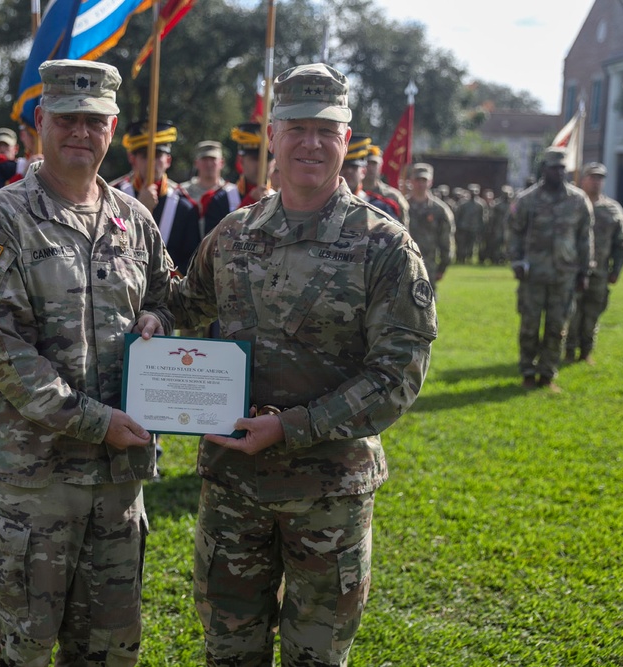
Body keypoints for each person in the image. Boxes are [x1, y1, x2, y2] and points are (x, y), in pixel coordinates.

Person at [165, 62, 437, 666]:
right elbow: (184, 304)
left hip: (329, 498)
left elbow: (396, 379)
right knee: (228, 650)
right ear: (272, 135)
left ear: (346, 139)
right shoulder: (234, 235)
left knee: (316, 657)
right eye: (296, 127)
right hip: (233, 491)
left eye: (326, 129)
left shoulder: (386, 247)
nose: (310, 142)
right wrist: (158, 319)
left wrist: (291, 427)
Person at [0, 59, 175, 666]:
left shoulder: (135, 221)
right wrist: (92, 419)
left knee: (109, 649)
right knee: (21, 646)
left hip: (116, 482)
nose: (81, 131)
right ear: (39, 122)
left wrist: (160, 320)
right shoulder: (0, 218)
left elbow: (166, 293)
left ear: (113, 130)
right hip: (34, 482)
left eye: (95, 120)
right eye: (68, 119)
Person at [507, 147, 593, 391]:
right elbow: (513, 232)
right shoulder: (527, 200)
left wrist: (584, 272)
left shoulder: (578, 201)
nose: (559, 172)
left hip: (564, 275)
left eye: (562, 168)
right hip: (533, 274)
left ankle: (547, 374)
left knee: (557, 328)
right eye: (554, 168)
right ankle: (527, 371)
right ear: (544, 169)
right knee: (529, 327)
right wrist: (516, 261)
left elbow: (585, 239)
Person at [110, 119, 201, 275]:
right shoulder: (113, 197)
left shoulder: (185, 206)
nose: (152, 161)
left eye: (158, 155)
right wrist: (140, 208)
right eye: (145, 156)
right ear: (133, 159)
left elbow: (191, 262)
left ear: (168, 160)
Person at [565, 162, 623, 365]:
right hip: (572, 271)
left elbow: (621, 244)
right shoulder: (572, 204)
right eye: (592, 177)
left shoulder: (612, 209)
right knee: (572, 313)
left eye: (600, 178)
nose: (596, 181)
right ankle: (568, 350)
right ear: (583, 179)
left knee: (593, 312)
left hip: (599, 272)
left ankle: (586, 351)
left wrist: (615, 270)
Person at [201, 122, 276, 236]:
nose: (261, 164)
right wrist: (249, 202)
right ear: (241, 161)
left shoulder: (282, 200)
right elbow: (212, 244)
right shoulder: (220, 200)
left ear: (274, 163)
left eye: (267, 159)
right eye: (255, 159)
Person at [406, 162, 455, 292]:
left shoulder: (440, 210)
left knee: (426, 308)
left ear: (430, 182)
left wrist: (442, 267)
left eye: (424, 180)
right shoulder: (402, 207)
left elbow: (446, 242)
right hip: (402, 266)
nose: (421, 184)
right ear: (411, 181)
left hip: (428, 267)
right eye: (417, 179)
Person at [340, 132, 401, 219]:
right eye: (343, 167)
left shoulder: (380, 208)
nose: (348, 171)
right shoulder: (321, 204)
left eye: (354, 167)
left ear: (363, 172)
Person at [363, 146, 409, 225]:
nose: (370, 167)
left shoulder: (393, 196)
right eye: (367, 163)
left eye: (374, 163)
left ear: (381, 165)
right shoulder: (353, 192)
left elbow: (403, 229)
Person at [180, 139, 227, 203]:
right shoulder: (183, 192)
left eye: (213, 159)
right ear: (196, 163)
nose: (209, 164)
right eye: (204, 159)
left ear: (222, 163)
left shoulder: (230, 193)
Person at [454, 183, 487, 264]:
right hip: (463, 227)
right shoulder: (462, 203)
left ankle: (469, 258)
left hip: (475, 227)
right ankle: (461, 258)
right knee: (461, 244)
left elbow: (483, 217)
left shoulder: (481, 204)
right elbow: (458, 216)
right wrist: (457, 226)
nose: (473, 194)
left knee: (471, 244)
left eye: (475, 192)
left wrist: (482, 227)